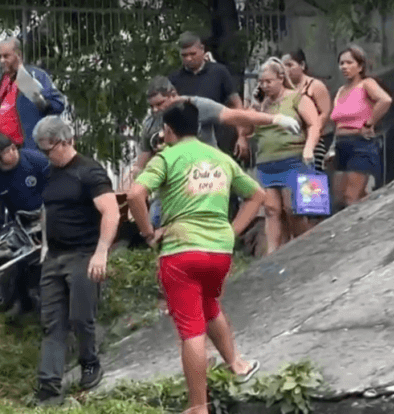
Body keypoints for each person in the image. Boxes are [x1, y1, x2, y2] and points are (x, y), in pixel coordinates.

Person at [126, 101, 265, 414]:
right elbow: (257, 195)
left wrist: (148, 233)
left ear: (168, 131)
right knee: (209, 304)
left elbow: (135, 195)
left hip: (181, 249)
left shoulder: (167, 157)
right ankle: (237, 363)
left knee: (191, 329)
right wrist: (231, 231)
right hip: (219, 251)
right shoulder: (221, 158)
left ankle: (198, 411)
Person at [29, 116, 120, 407]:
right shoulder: (50, 174)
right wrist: (44, 247)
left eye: (49, 149)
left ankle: (89, 361)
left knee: (81, 316)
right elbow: (48, 211)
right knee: (51, 322)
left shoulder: (89, 171)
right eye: (42, 150)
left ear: (66, 140)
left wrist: (102, 252)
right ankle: (48, 385)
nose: (46, 155)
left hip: (84, 254)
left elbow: (111, 212)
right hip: (54, 257)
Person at [132, 76, 300, 228]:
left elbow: (235, 115)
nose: (156, 110)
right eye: (152, 106)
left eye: (160, 104)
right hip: (173, 180)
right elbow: (143, 158)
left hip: (207, 173)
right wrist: (135, 179)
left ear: (173, 95)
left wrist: (275, 119)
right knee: (156, 219)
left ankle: (227, 239)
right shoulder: (150, 123)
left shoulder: (197, 107)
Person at [252, 57, 321, 254]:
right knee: (272, 209)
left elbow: (314, 124)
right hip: (267, 162)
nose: (265, 86)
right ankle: (273, 253)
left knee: (293, 209)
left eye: (269, 81)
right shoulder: (262, 105)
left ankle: (304, 248)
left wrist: (309, 148)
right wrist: (255, 109)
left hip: (293, 159)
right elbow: (248, 129)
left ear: (281, 78)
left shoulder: (297, 98)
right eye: (261, 82)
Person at [0, 132, 50, 316]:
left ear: (12, 149)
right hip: (19, 223)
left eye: (0, 157)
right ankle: (20, 301)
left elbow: (57, 189)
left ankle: (49, 302)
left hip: (48, 214)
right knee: (12, 256)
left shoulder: (36, 162)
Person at [0, 37, 66, 152]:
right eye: (0, 56)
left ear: (18, 55)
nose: (2, 60)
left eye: (6, 56)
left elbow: (58, 104)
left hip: (30, 149)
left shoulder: (36, 75)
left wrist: (41, 101)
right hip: (3, 152)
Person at [169, 31, 249, 160]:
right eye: (184, 55)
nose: (189, 58)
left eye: (192, 54)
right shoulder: (174, 79)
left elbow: (236, 105)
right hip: (187, 149)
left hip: (219, 144)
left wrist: (242, 136)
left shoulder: (219, 72)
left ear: (202, 50)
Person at [330, 45, 392, 207]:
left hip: (361, 145)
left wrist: (369, 123)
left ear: (360, 66)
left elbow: (385, 100)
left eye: (349, 63)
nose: (344, 67)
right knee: (340, 197)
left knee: (352, 197)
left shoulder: (366, 84)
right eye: (341, 63)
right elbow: (337, 123)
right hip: (341, 146)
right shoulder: (341, 91)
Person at [282, 49, 333, 172]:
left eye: (290, 65)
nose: (286, 69)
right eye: (283, 66)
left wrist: (311, 137)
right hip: (290, 146)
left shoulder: (315, 86)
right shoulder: (284, 89)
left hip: (313, 145)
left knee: (311, 187)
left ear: (302, 65)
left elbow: (325, 113)